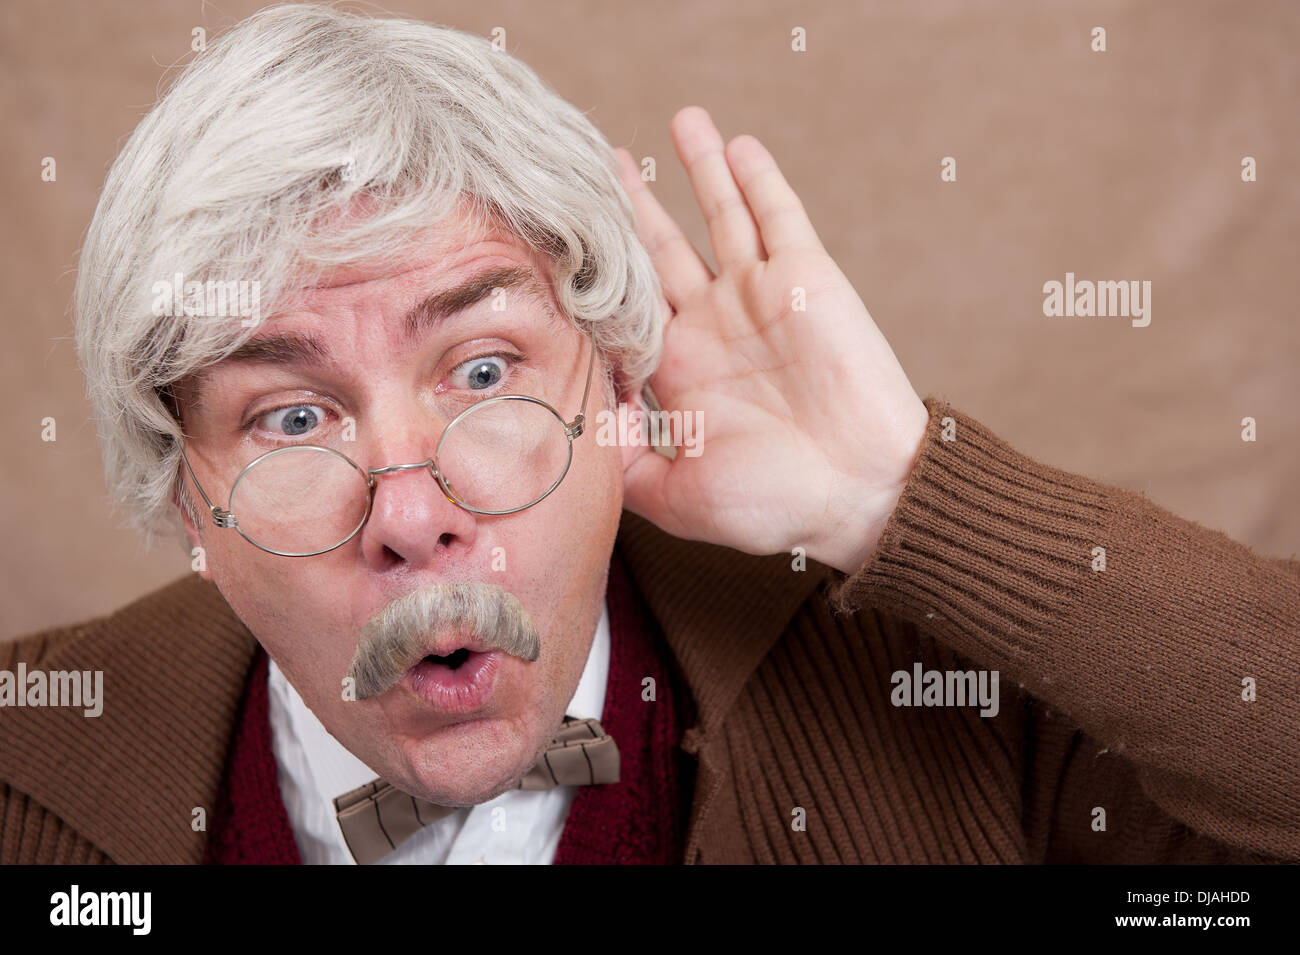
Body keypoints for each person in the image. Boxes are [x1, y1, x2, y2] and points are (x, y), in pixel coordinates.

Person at [2, 3, 1296, 865]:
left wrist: (899, 496)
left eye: (485, 369)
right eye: (290, 416)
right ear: (188, 497)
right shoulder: (29, 764)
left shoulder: (959, 723)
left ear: (618, 394)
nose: (410, 512)